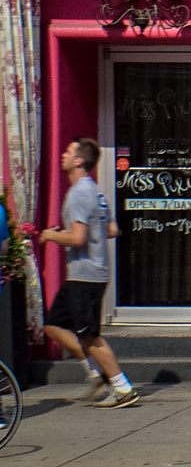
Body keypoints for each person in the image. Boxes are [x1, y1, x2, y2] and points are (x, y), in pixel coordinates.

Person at [39, 138, 137, 408]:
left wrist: (52, 235)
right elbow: (112, 229)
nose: (63, 154)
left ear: (79, 161)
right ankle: (94, 371)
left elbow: (79, 238)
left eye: (68, 152)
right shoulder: (97, 192)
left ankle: (121, 387)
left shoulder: (79, 193)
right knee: (53, 325)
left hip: (86, 275)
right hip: (85, 274)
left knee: (90, 335)